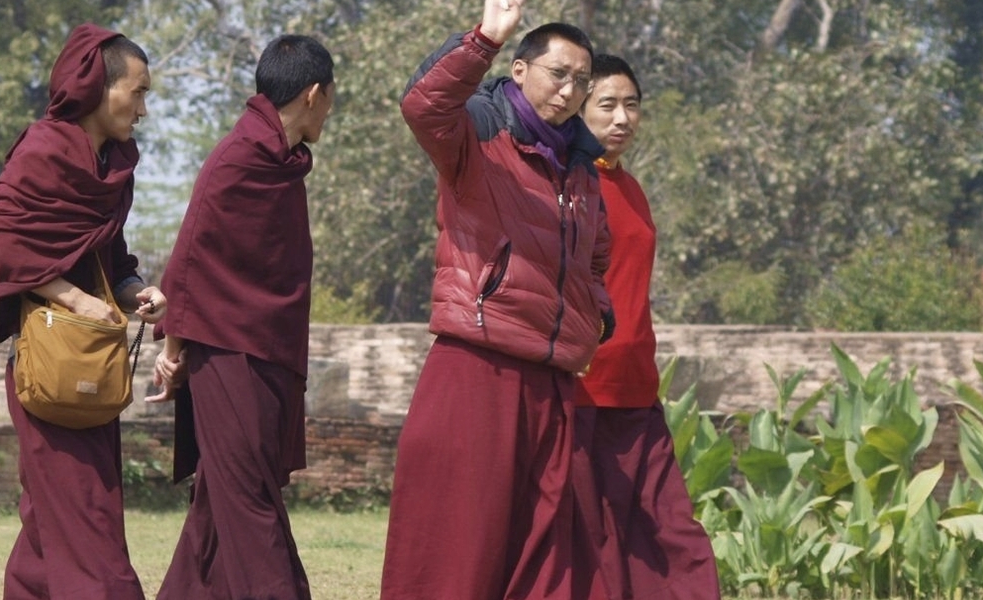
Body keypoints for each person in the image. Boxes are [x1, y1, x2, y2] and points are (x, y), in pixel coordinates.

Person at [380, 0, 615, 598]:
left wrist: (596, 314)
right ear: (519, 71)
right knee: (457, 547)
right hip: (478, 367)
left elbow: (595, 254)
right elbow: (422, 105)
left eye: (581, 81)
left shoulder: (581, 167)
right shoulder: (479, 138)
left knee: (546, 553)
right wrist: (485, 37)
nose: (569, 90)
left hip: (553, 378)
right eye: (557, 74)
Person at [0, 24, 161, 600]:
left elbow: (110, 254)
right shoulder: (45, 150)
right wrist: (74, 298)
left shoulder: (111, 165)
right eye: (139, 92)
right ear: (99, 88)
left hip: (91, 365)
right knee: (88, 523)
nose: (145, 110)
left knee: (53, 524)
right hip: (51, 362)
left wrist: (134, 292)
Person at [146, 34, 335, 600]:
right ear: (314, 94)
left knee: (217, 512)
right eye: (331, 100)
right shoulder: (239, 158)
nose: (330, 111)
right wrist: (174, 355)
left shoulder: (276, 160)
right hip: (229, 358)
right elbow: (189, 262)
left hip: (266, 355)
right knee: (249, 502)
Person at [578, 53, 721, 600]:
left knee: (671, 532)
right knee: (594, 536)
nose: (621, 118)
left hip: (636, 384)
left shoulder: (631, 189)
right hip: (581, 386)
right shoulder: (564, 183)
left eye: (631, 105)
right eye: (607, 105)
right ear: (577, 108)